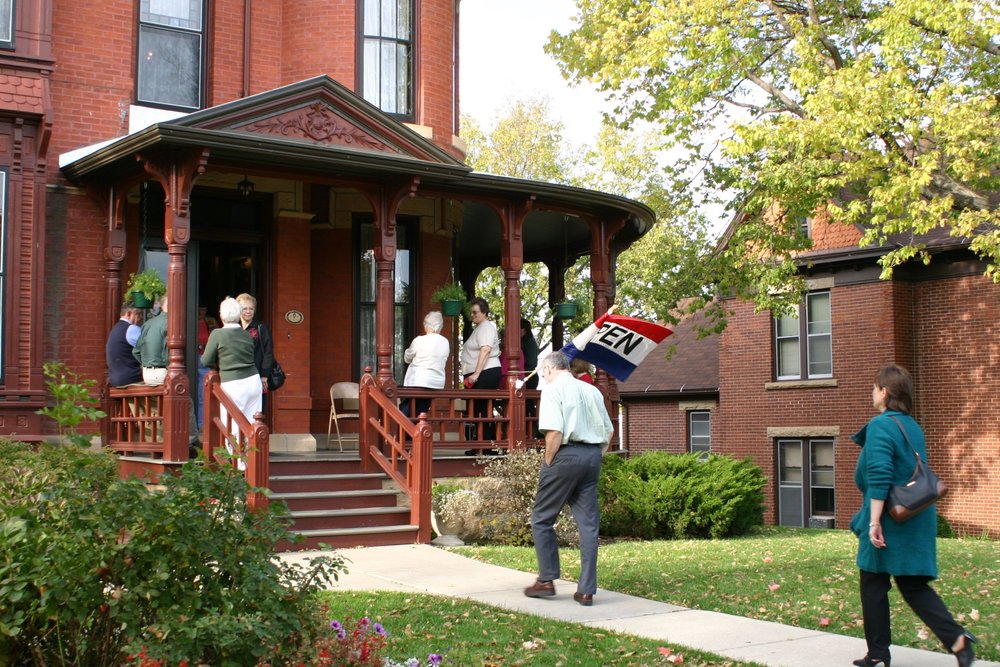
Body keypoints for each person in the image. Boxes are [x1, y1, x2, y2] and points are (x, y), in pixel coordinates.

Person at [851, 364, 976, 667]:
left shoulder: (882, 425)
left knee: (873, 583)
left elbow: (879, 476)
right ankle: (957, 639)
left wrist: (874, 522)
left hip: (890, 520)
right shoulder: (911, 425)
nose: (872, 392)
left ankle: (878, 653)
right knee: (913, 585)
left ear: (886, 392)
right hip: (915, 517)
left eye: (875, 387)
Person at [523, 350, 613, 607]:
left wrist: (548, 461)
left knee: (542, 518)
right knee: (588, 526)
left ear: (550, 369)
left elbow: (554, 431)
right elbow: (609, 431)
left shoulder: (552, 390)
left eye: (543, 373)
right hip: (592, 457)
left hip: (564, 455)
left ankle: (547, 580)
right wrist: (595, 456)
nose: (543, 377)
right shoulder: (592, 390)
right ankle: (586, 591)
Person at [201, 297, 263, 469]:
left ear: (221, 316)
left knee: (232, 426)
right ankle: (254, 464)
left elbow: (205, 360)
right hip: (253, 381)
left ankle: (242, 468)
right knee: (251, 424)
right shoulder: (245, 333)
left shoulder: (218, 334)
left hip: (234, 383)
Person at [461, 297, 501, 446]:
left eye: (475, 312)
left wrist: (476, 374)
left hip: (485, 373)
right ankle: (481, 445)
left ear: (484, 312)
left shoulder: (486, 327)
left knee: (482, 410)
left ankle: (486, 446)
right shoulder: (479, 328)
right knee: (477, 409)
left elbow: (485, 349)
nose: (472, 315)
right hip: (480, 373)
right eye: (471, 312)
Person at [401, 311, 450, 418]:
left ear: (425, 325)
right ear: (440, 326)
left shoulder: (419, 340)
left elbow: (407, 358)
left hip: (417, 382)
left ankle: (404, 433)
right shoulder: (445, 342)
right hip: (435, 384)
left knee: (405, 411)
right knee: (420, 412)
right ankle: (415, 432)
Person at [236, 293, 274, 394]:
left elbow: (268, 352)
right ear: (238, 310)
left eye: (251, 309)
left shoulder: (261, 328)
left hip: (257, 376)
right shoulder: (235, 328)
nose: (248, 311)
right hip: (238, 377)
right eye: (245, 309)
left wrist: (264, 375)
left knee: (256, 408)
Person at [133, 294, 169, 385]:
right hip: (163, 372)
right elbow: (167, 353)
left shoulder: (148, 323)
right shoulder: (170, 323)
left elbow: (136, 351)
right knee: (185, 398)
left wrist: (147, 364)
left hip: (147, 374)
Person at [106, 304, 143, 386]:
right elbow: (148, 349)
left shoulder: (116, 328)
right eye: (138, 314)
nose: (141, 317)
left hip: (115, 379)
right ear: (129, 314)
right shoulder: (132, 328)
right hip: (131, 378)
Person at [195, 305, 218, 430]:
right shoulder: (190, 320)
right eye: (199, 309)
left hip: (206, 360)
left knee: (202, 393)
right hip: (193, 359)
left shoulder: (210, 321)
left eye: (203, 309)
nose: (201, 311)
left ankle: (202, 424)